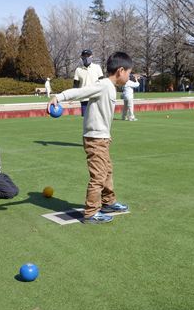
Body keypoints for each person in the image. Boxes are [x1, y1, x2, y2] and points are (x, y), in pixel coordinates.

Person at [49, 52, 132, 224]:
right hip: (94, 139)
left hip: (102, 138)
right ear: (120, 70)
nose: (129, 76)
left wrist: (107, 136)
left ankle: (108, 202)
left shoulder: (110, 87)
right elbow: (80, 92)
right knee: (99, 175)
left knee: (107, 170)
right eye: (129, 73)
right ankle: (91, 212)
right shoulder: (103, 85)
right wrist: (59, 97)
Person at [73, 49, 104, 116]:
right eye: (84, 56)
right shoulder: (78, 70)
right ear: (81, 57)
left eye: (88, 56)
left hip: (96, 98)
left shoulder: (97, 67)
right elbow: (75, 85)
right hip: (84, 98)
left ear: (91, 56)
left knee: (97, 118)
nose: (86, 58)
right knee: (86, 120)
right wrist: (71, 96)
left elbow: (102, 82)